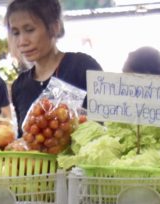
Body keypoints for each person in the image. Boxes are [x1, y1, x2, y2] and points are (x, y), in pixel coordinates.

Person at [6, 0, 102, 134]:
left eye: (29, 30)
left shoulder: (82, 67)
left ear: (54, 27)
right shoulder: (19, 86)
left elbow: (104, 126)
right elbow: (24, 139)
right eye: (16, 33)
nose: (22, 42)